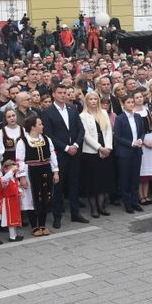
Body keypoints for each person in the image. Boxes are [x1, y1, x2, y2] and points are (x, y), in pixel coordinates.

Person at [41, 85, 87, 229]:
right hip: (60, 154)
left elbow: (80, 129)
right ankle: (57, 216)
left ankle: (75, 212)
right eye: (59, 93)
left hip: (75, 152)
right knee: (58, 186)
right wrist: (66, 148)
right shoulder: (48, 112)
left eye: (64, 93)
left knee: (74, 183)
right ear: (53, 94)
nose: (62, 95)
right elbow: (49, 135)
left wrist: (76, 145)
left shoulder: (72, 109)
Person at [21, 114, 58, 235]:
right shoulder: (23, 141)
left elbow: (52, 155)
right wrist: (22, 177)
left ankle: (42, 224)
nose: (42, 126)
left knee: (45, 196)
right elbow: (19, 160)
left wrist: (55, 171)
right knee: (32, 197)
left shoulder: (46, 139)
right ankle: (34, 226)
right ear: (33, 127)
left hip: (45, 170)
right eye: (40, 124)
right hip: (30, 172)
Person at [79, 91, 114, 218]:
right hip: (91, 152)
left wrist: (108, 148)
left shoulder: (104, 113)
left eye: (95, 99)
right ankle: (93, 208)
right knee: (92, 181)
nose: (93, 101)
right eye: (90, 99)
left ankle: (101, 206)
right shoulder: (82, 116)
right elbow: (86, 136)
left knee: (102, 181)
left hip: (105, 150)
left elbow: (109, 131)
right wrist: (99, 148)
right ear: (86, 101)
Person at [113, 90, 145, 213]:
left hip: (137, 151)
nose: (131, 104)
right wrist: (131, 143)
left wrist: (140, 140)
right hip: (125, 152)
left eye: (132, 102)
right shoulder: (120, 118)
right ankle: (127, 204)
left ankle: (134, 201)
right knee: (125, 178)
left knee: (135, 178)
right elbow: (118, 136)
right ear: (123, 104)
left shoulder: (137, 116)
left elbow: (142, 131)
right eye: (129, 102)